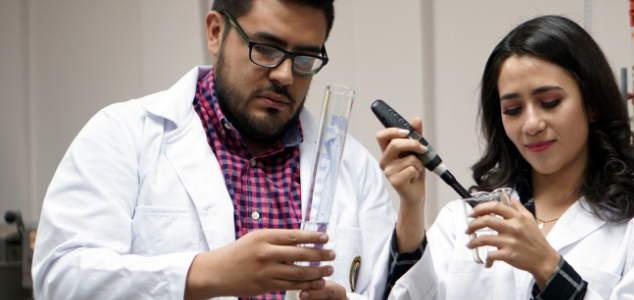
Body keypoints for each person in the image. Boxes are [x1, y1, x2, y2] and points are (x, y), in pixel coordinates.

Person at [31, 1, 396, 299]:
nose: (285, 75)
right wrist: (203, 274)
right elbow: (60, 279)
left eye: (304, 59)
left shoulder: (354, 166)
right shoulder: (123, 135)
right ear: (216, 32)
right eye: (266, 49)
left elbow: (386, 291)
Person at [370, 16, 634, 300]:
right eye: (513, 109)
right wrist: (411, 208)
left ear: (592, 105)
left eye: (549, 102)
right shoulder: (462, 222)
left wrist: (547, 267)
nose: (531, 125)